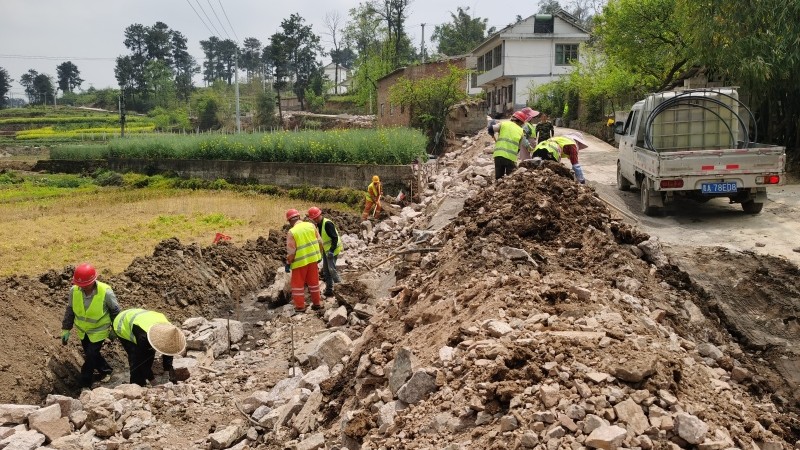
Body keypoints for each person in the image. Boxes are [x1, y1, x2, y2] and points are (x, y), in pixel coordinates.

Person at [61, 263, 120, 388]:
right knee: (91, 354)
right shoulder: (74, 291)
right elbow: (70, 310)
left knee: (91, 355)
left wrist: (115, 329)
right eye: (79, 285)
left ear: (93, 281)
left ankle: (85, 383)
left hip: (99, 330)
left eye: (85, 285)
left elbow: (115, 311)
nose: (82, 287)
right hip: (83, 330)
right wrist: (66, 328)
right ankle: (106, 370)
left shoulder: (106, 292)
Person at [112, 308, 186, 386]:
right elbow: (141, 361)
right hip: (122, 323)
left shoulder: (169, 330)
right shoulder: (143, 337)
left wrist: (167, 371)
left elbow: (168, 350)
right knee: (135, 357)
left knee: (149, 352)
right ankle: (137, 384)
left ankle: (144, 378)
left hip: (142, 318)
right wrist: (153, 381)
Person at [285, 209, 326, 313]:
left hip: (299, 263)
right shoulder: (311, 226)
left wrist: (288, 263)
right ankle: (317, 303)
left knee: (297, 285)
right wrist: (319, 255)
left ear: (289, 221)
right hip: (313, 260)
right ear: (299, 217)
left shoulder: (292, 232)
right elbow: (320, 242)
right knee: (314, 282)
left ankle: (300, 306)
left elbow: (291, 252)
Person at [308, 207, 343, 297]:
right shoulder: (318, 225)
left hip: (333, 249)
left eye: (316, 217)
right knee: (326, 271)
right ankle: (329, 290)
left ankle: (341, 288)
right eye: (314, 218)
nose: (315, 219)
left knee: (332, 270)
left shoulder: (327, 224)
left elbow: (334, 238)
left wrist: (331, 250)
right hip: (326, 250)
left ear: (320, 215)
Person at [489, 110, 531, 180]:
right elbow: (518, 148)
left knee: (498, 178)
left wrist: (491, 133)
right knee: (511, 179)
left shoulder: (504, 124)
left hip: (498, 155)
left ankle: (497, 186)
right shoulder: (521, 131)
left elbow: (490, 128)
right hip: (510, 158)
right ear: (521, 122)